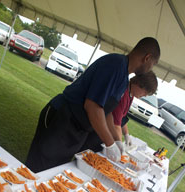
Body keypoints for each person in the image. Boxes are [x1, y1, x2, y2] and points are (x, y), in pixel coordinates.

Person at [26, 37, 160, 173]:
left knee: (53, 170)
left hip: (77, 128)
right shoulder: (115, 65)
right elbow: (93, 106)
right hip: (63, 119)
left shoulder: (124, 79)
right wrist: (110, 143)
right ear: (147, 58)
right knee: (37, 169)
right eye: (153, 64)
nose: (151, 68)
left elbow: (106, 111)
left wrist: (117, 141)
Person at [111, 71, 158, 154]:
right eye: (145, 92)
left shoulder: (131, 94)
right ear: (138, 84)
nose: (145, 95)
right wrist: (119, 144)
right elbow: (116, 124)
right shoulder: (123, 92)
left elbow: (122, 117)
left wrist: (126, 135)